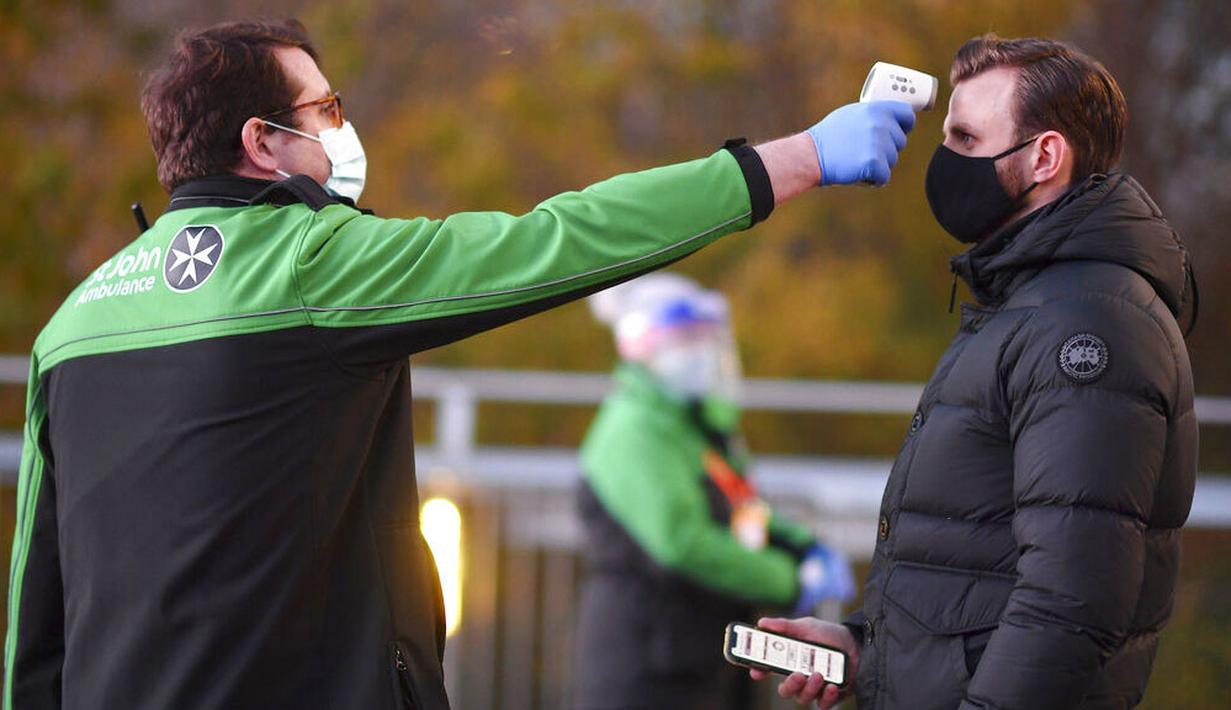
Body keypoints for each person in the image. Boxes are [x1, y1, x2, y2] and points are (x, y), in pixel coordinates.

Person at [2, 18, 915, 710]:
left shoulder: (73, 322)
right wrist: (793, 160)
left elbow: (31, 609)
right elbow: (559, 241)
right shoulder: (313, 261)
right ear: (261, 143)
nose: (341, 128)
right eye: (325, 110)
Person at [761, 34, 1198, 710]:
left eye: (965, 139)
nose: (942, 161)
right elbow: (973, 567)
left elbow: (1068, 606)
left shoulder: (1086, 325)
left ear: (1043, 157)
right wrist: (864, 647)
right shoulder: (1026, 303)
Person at [572, 274, 854, 710]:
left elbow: (741, 508)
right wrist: (786, 579)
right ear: (642, 344)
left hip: (693, 660)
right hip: (646, 670)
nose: (701, 352)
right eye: (685, 338)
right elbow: (683, 542)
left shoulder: (691, 425)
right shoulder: (635, 429)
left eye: (705, 337)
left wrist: (802, 546)